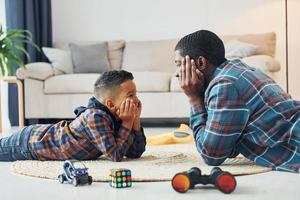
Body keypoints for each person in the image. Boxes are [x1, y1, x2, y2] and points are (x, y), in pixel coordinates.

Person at [174, 30, 300, 173]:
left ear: (201, 62)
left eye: (179, 64)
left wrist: (194, 99)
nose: (177, 73)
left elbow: (211, 154)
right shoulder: (238, 70)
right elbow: (228, 147)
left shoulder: (224, 85)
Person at [0, 70, 146, 162]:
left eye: (136, 94)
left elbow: (135, 152)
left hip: (37, 141)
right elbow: (115, 156)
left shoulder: (119, 116)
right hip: (32, 143)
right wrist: (128, 123)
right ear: (111, 104)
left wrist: (135, 121)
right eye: (130, 95)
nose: (136, 99)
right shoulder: (95, 117)